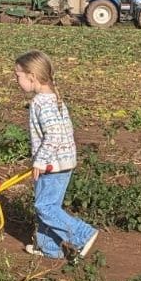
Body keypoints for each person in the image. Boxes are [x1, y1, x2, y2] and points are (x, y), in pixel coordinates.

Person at [14, 50, 99, 261]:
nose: (16, 80)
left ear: (32, 76)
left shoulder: (41, 102)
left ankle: (83, 233)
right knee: (47, 205)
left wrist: (41, 161)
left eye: (18, 76)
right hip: (62, 162)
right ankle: (50, 248)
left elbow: (54, 134)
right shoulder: (54, 98)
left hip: (53, 165)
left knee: (45, 207)